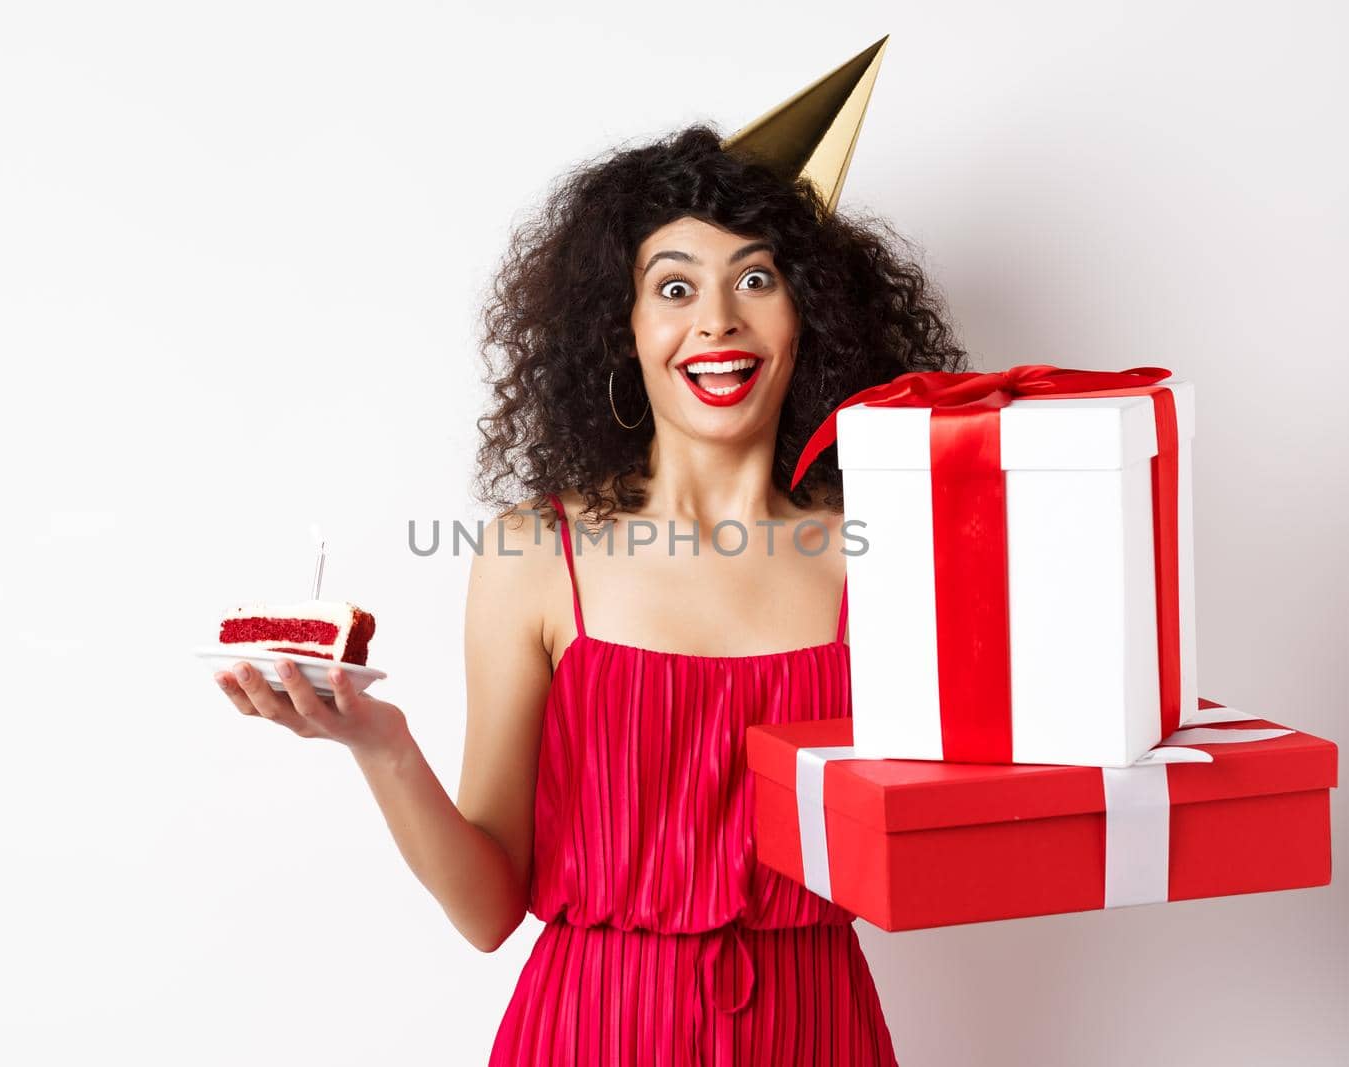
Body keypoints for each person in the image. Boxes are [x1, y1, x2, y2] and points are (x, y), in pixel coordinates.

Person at [212, 45, 969, 1066]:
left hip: (816, 1027)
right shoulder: (535, 552)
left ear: (811, 317)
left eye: (757, 277)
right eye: (673, 286)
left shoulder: (888, 553)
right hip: (596, 1029)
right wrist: (383, 744)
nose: (717, 319)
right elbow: (487, 910)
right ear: (619, 328)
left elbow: (965, 818)